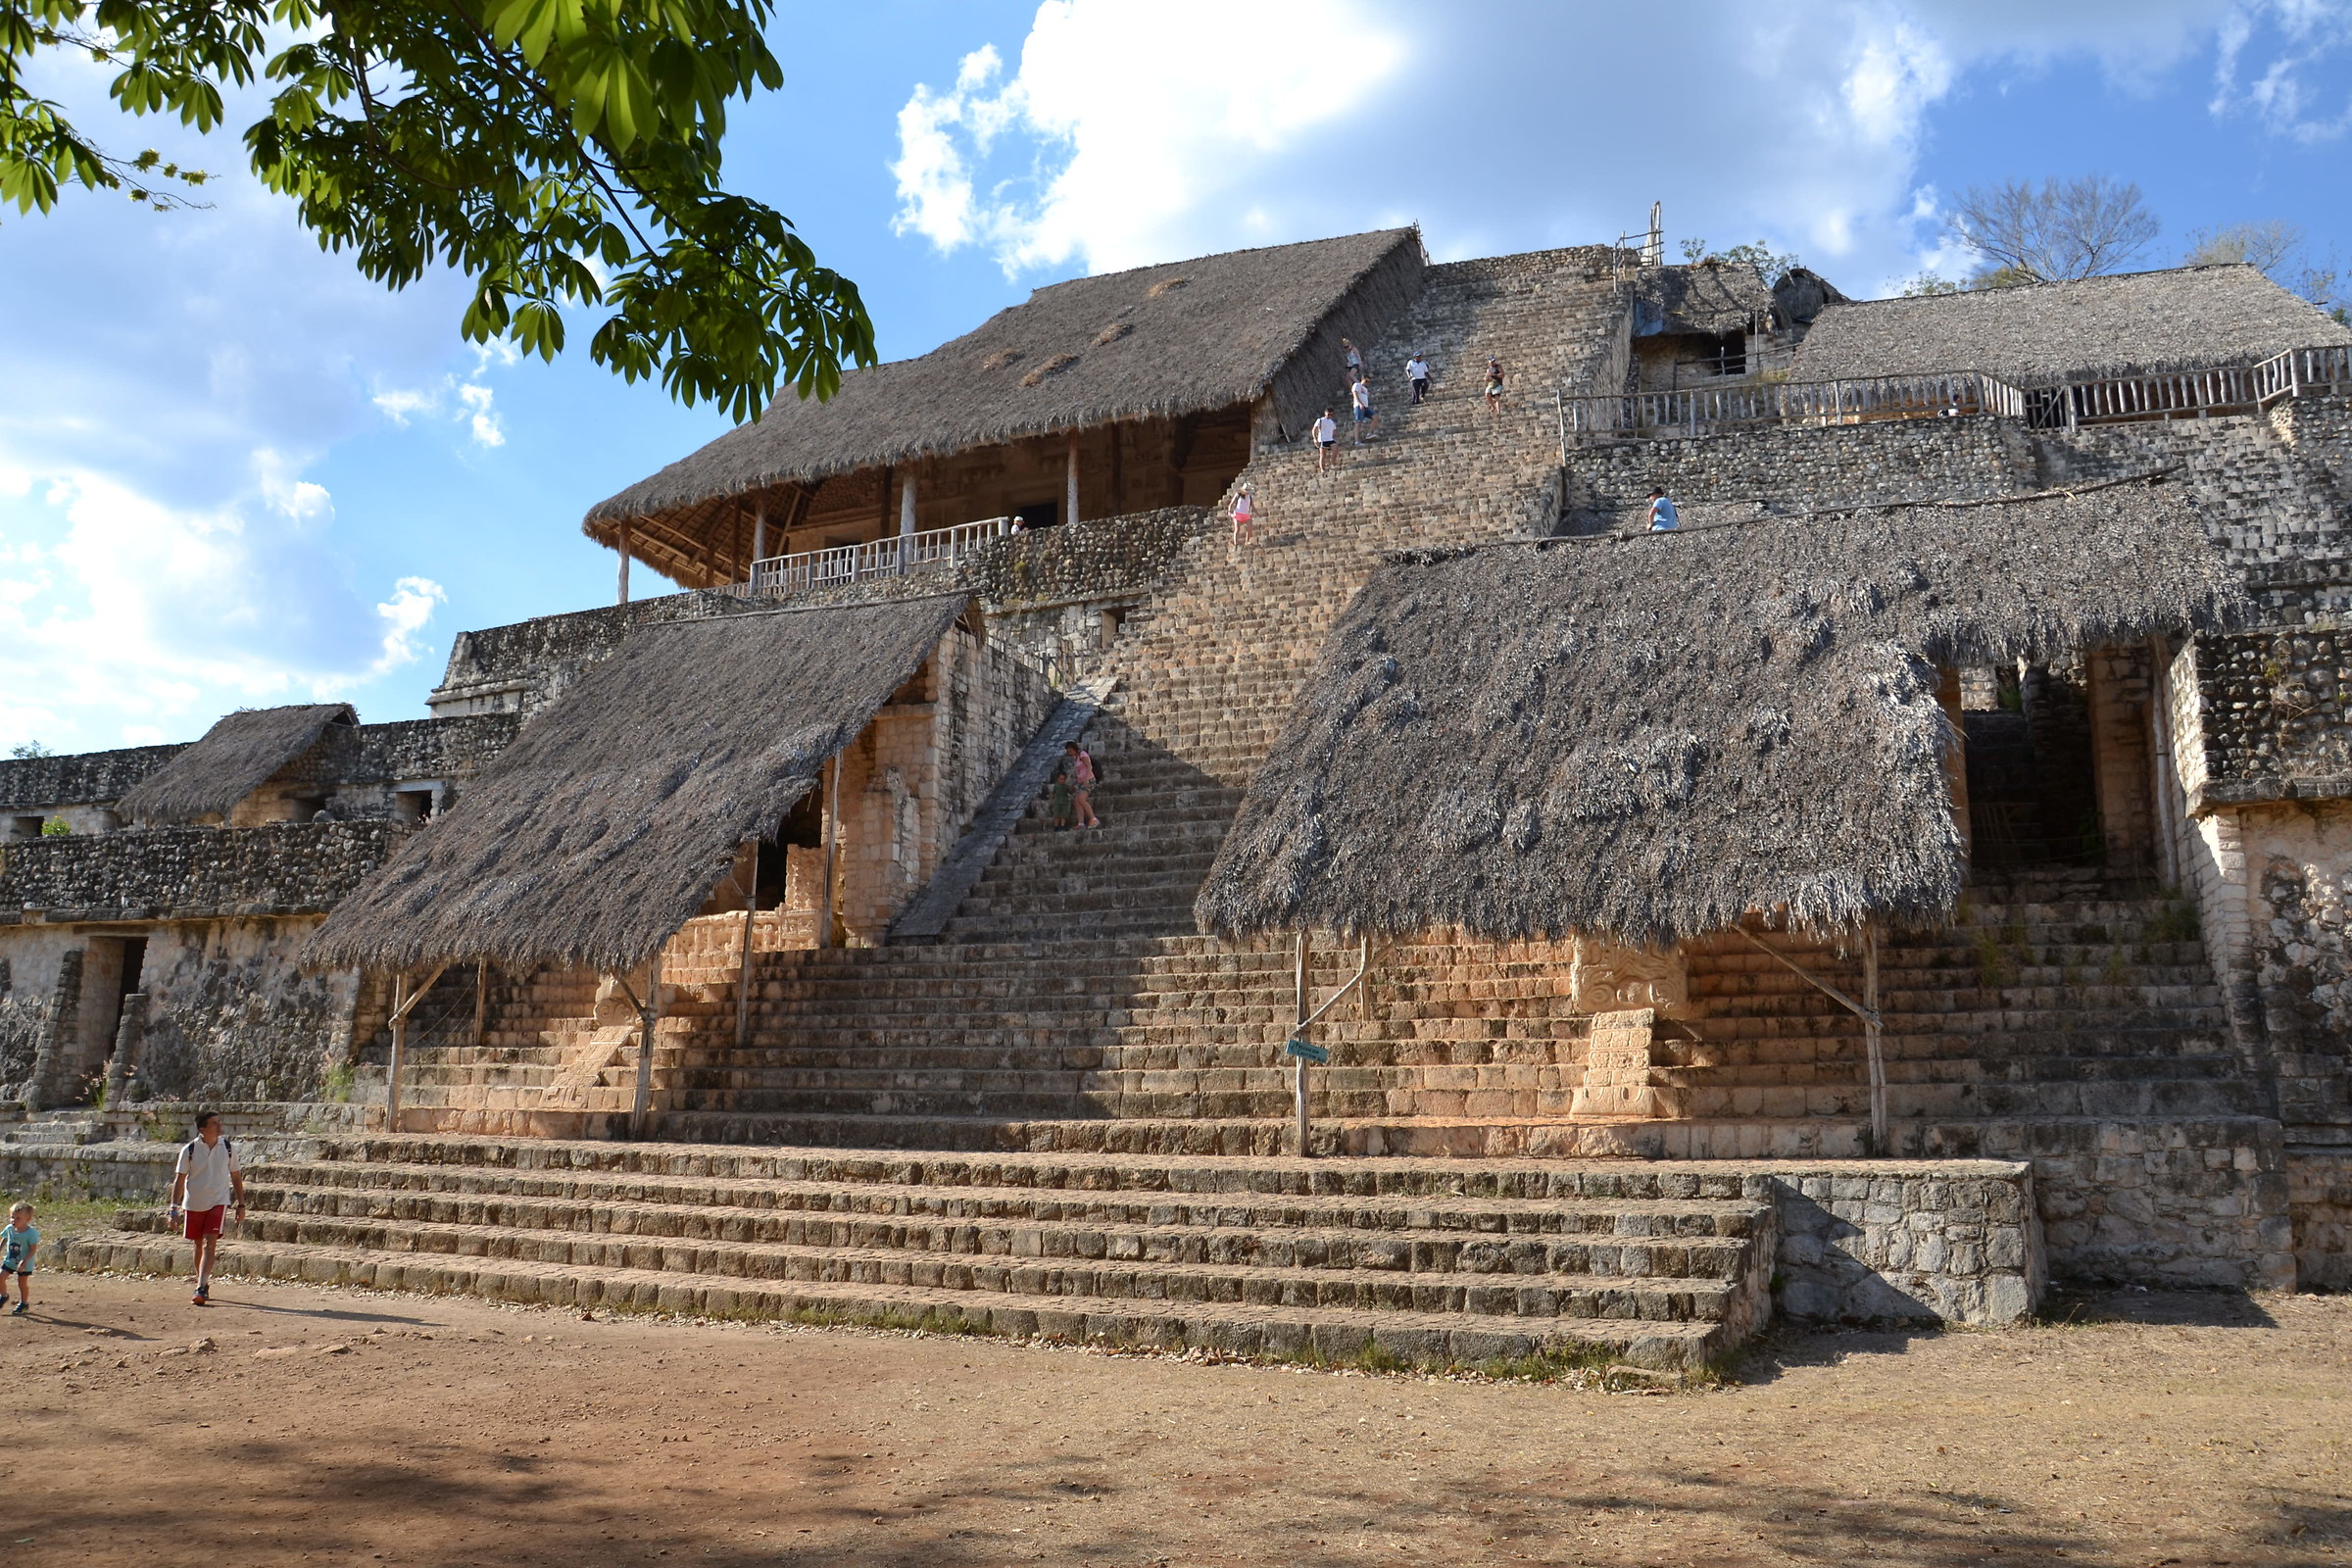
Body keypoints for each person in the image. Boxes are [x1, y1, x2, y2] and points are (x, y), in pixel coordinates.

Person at [168, 1110, 245, 1306]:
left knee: (211, 1242)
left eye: (218, 1122)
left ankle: (200, 1286)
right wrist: (174, 1208)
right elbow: (180, 1179)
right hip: (194, 1203)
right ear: (202, 1128)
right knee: (198, 1244)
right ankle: (203, 1280)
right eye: (213, 1123)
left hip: (219, 1201)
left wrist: (241, 1204)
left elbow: (236, 1176)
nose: (219, 1127)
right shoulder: (189, 1150)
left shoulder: (227, 1147)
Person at [1, 1203, 36, 1316]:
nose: (13, 1220)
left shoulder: (31, 1233)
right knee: (0, 1277)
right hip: (10, 1260)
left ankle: (24, 1303)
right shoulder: (9, 1228)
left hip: (25, 1263)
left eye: (18, 1218)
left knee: (22, 1283)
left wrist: (25, 1261)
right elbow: (5, 1238)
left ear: (28, 1219)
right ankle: (4, 1295)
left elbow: (32, 1250)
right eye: (12, 1217)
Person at [1063, 742, 1101, 830]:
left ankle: (1093, 819)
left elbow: (1089, 766)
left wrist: (1087, 779)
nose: (1070, 753)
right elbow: (1080, 774)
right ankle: (1081, 823)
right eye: (1068, 752)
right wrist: (1074, 784)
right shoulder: (1076, 759)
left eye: (1071, 751)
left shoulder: (1082, 755)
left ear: (1075, 749)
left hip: (1089, 780)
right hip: (1081, 782)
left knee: (1081, 798)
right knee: (1076, 801)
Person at [1312, 409, 1340, 473]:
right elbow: (1314, 429)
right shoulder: (1320, 420)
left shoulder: (1332, 422)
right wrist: (1315, 439)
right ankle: (1322, 469)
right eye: (1328, 414)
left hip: (1330, 439)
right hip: (1322, 440)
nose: (1329, 416)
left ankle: (1332, 463)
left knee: (1336, 449)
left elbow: (1333, 430)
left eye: (1331, 415)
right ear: (1325, 413)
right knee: (1323, 455)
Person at [1350, 375, 1377, 442]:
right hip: (1358, 406)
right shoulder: (1357, 385)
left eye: (1368, 382)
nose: (1367, 383)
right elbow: (1355, 394)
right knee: (1358, 422)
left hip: (1365, 407)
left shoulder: (1365, 389)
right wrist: (1360, 403)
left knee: (1375, 416)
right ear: (1363, 379)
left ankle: (1369, 434)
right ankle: (1357, 441)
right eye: (1366, 381)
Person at [1047, 768, 1074, 832]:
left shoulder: (1066, 786)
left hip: (1064, 802)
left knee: (1063, 815)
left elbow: (1070, 792)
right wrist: (1050, 800)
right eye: (1061, 779)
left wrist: (1072, 788)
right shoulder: (1056, 786)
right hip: (1057, 802)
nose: (1062, 781)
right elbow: (1053, 793)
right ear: (1057, 779)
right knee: (1056, 815)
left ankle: (1062, 825)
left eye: (1064, 779)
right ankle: (1056, 826)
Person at [1231, 481, 1255, 547]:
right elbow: (1231, 503)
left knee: (1250, 527)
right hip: (1238, 514)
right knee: (1237, 528)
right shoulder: (1238, 495)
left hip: (1246, 515)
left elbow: (1253, 506)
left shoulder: (1250, 497)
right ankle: (1236, 543)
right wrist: (1229, 511)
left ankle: (1247, 541)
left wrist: (1258, 513)